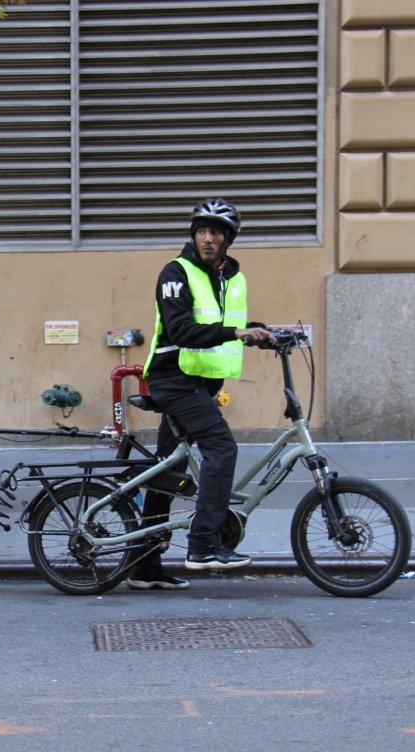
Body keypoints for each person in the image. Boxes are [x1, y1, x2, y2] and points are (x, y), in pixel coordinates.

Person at [126, 198, 275, 591]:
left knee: (166, 474)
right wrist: (238, 334)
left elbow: (225, 325)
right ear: (193, 235)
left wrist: (260, 332)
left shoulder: (230, 278)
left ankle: (144, 565)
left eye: (216, 232)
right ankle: (203, 545)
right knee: (222, 448)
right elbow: (183, 330)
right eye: (202, 231)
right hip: (174, 380)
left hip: (201, 383)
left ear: (228, 239)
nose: (208, 238)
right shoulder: (177, 272)